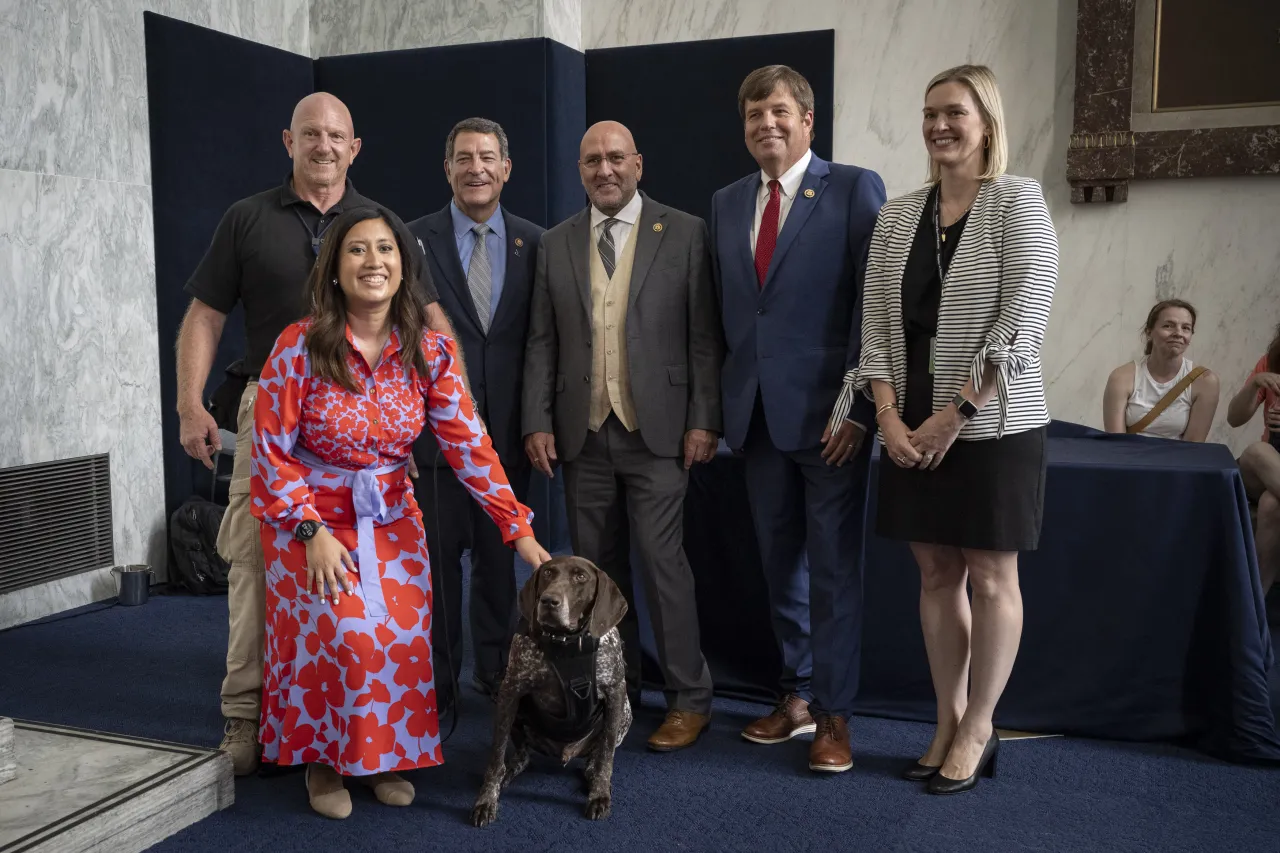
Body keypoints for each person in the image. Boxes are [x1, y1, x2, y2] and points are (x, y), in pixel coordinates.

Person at [176, 93, 460, 776]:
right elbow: (206, 314)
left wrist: (417, 428)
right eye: (311, 134)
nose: (324, 145)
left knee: (358, 590)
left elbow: (428, 322)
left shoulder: (382, 222)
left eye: (336, 135)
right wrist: (190, 403)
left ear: (354, 146)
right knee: (252, 562)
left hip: (365, 424)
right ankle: (245, 718)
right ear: (289, 140)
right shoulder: (247, 218)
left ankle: (351, 728)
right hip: (268, 412)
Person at [250, 205, 551, 819]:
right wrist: (310, 531)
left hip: (390, 518)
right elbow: (270, 455)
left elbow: (471, 446)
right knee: (346, 636)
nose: (374, 262)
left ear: (403, 265)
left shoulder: (429, 352)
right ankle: (324, 762)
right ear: (334, 268)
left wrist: (516, 528)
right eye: (357, 250)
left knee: (398, 639)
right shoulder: (299, 346)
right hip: (309, 521)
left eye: (385, 250)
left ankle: (382, 757)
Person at [834, 64, 1057, 793]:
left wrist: (955, 413)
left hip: (991, 424)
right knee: (936, 572)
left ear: (985, 122)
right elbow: (871, 327)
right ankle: (947, 716)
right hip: (911, 422)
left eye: (954, 113)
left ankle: (982, 723)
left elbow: (1022, 320)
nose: (938, 125)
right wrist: (891, 416)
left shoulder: (1017, 200)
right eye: (929, 112)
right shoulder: (897, 215)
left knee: (992, 577)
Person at [522, 120, 722, 752]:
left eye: (614, 158)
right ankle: (617, 689)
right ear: (579, 170)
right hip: (582, 436)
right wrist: (536, 420)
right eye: (590, 162)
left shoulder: (684, 232)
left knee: (664, 567)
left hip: (658, 432)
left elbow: (703, 340)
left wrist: (703, 418)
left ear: (638, 162)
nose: (603, 170)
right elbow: (542, 341)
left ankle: (689, 698)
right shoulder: (556, 243)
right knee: (596, 578)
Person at [710, 65, 886, 773]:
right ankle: (797, 695)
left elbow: (874, 309)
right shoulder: (725, 202)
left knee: (835, 573)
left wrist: (861, 407)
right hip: (753, 422)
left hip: (831, 421)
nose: (767, 125)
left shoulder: (852, 188)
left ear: (808, 121)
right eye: (754, 115)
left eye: (780, 112)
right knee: (779, 568)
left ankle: (836, 717)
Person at [407, 118, 544, 705]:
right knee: (435, 573)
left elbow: (545, 341)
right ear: (447, 168)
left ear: (506, 169)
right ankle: (435, 686)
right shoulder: (407, 241)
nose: (476, 169)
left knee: (498, 568)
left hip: (509, 441)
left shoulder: (538, 243)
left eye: (487, 157)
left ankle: (496, 674)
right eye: (463, 158)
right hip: (432, 446)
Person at [1102, 299, 1219, 440]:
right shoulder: (1122, 377)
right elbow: (1116, 444)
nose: (1178, 333)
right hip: (1130, 458)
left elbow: (1193, 448)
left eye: (1186, 328)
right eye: (1168, 326)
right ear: (1149, 332)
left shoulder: (1205, 381)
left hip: (1177, 460)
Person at [1226, 324, 1280, 596]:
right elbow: (1234, 419)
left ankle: (1255, 602)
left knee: (1272, 504)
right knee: (1257, 452)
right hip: (1264, 465)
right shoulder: (1270, 363)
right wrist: (1254, 385)